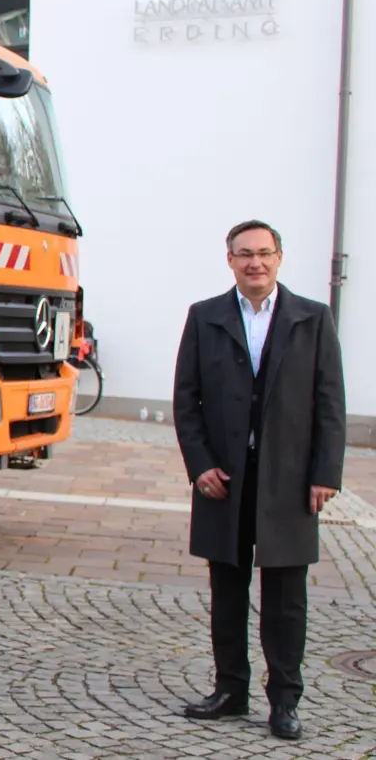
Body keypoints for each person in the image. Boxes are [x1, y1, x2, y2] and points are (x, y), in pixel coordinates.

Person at [174, 220, 344, 741]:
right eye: (245, 254)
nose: (256, 263)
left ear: (280, 257)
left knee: (286, 597)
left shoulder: (312, 319)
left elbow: (330, 403)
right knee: (227, 587)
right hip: (224, 480)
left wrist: (324, 473)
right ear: (229, 259)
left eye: (265, 254)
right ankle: (230, 690)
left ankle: (285, 701)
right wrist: (200, 465)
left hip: (289, 482)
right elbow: (187, 401)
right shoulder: (205, 317)